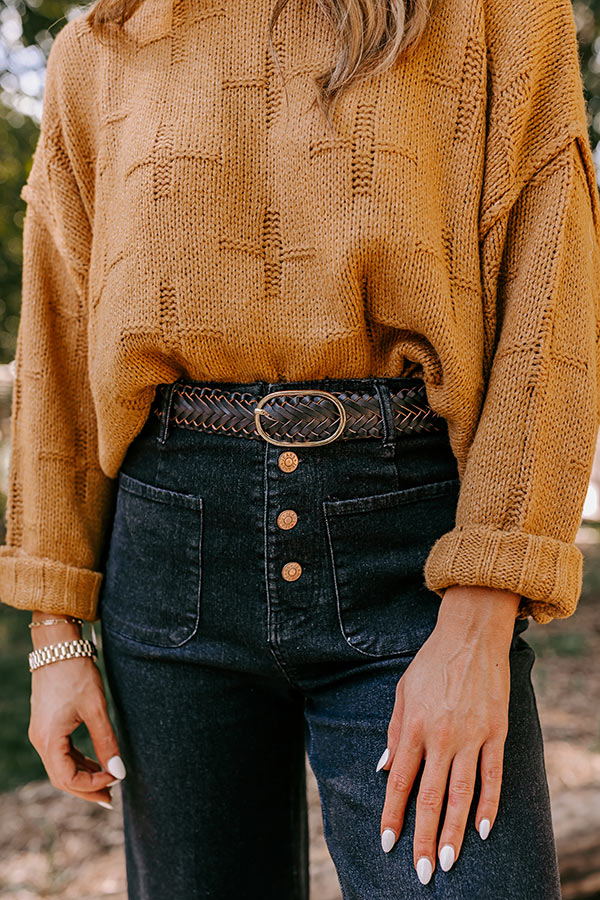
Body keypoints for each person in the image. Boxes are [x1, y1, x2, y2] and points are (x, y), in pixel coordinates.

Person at [1, 0, 599, 895]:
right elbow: (57, 334)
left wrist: (483, 611)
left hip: (414, 556)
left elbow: (553, 303)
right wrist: (55, 636)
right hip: (173, 560)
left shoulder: (498, 18)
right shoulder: (105, 43)